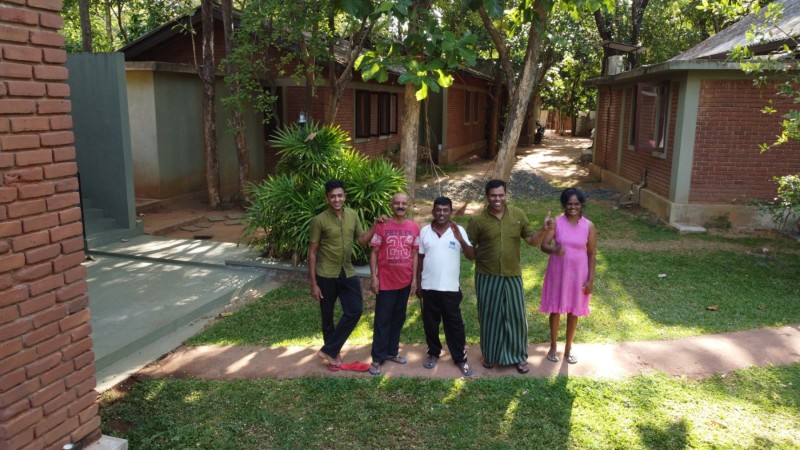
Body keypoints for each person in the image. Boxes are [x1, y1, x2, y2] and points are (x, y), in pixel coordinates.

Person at [466, 179, 552, 374]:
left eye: (501, 195)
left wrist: (544, 229)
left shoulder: (518, 215)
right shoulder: (478, 221)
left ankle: (519, 357)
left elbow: (531, 241)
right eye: (493, 195)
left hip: (512, 274)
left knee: (516, 316)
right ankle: (490, 355)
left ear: (506, 195)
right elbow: (469, 250)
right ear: (487, 196)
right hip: (486, 276)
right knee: (489, 316)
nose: (498, 199)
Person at [308, 179, 378, 369]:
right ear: (327, 198)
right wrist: (314, 283)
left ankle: (329, 349)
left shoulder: (353, 215)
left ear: (345, 196)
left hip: (347, 271)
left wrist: (375, 225)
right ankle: (333, 354)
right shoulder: (319, 220)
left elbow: (362, 240)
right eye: (332, 196)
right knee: (327, 316)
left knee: (355, 310)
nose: (336, 199)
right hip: (325, 274)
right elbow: (312, 252)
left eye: (340, 195)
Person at [417, 196, 476, 377]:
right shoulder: (424, 231)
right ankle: (433, 353)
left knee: (455, 325)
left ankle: (460, 358)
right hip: (429, 288)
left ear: (450, 212)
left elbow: (471, 255)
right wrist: (418, 283)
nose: (441, 213)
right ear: (433, 211)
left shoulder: (458, 230)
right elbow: (420, 258)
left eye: (445, 210)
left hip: (450, 288)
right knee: (431, 325)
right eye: (438, 210)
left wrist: (462, 240)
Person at [539, 188, 597, 365]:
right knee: (556, 309)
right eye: (570, 204)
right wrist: (555, 249)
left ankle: (569, 348)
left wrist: (591, 279)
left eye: (577, 204)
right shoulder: (556, 222)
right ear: (564, 205)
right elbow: (544, 245)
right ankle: (553, 346)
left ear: (581, 205)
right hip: (558, 273)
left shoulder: (589, 226)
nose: (573, 207)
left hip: (579, 274)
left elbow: (592, 253)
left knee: (574, 311)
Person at [368, 193, 420, 375]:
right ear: (391, 205)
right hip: (386, 282)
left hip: (405, 282)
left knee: (398, 319)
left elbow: (414, 254)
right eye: (397, 203)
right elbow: (374, 252)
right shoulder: (382, 226)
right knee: (382, 320)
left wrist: (414, 279)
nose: (400, 206)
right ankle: (377, 358)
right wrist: (374, 276)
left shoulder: (414, 227)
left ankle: (391, 352)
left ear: (408, 206)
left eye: (404, 203)